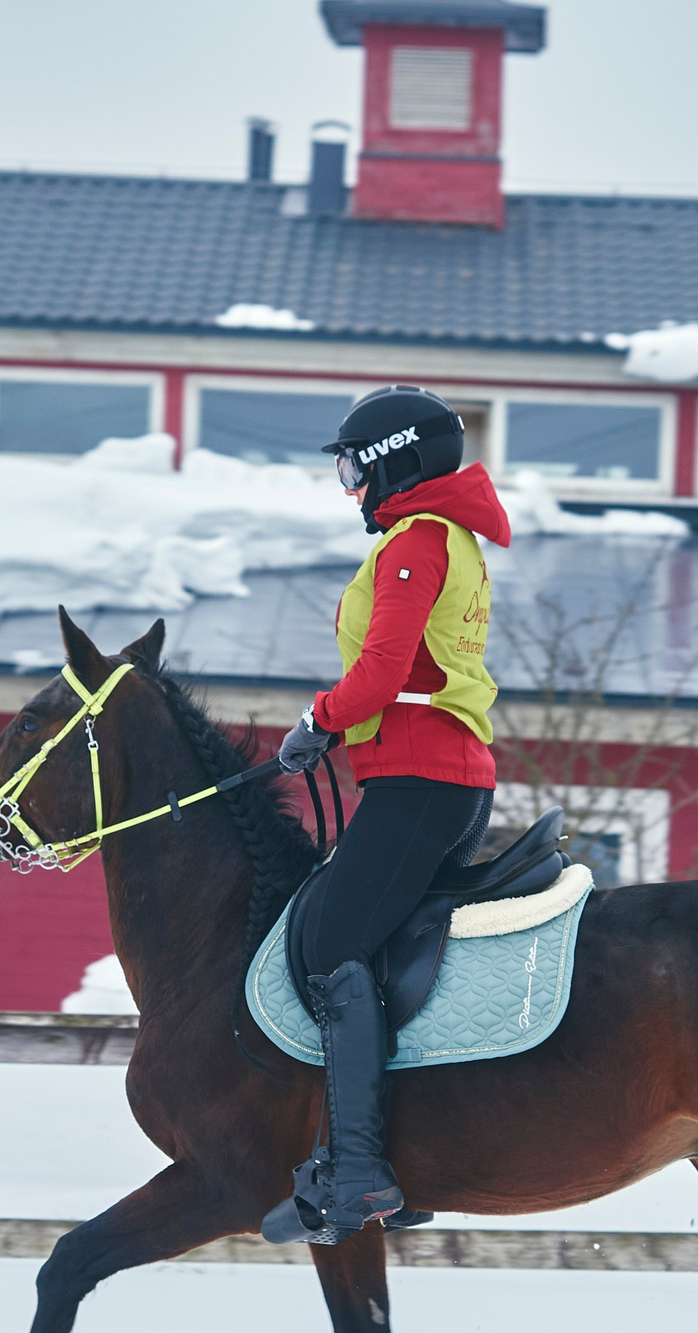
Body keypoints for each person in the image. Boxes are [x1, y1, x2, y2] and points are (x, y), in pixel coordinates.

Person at [262, 385, 508, 1245]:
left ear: (392, 462)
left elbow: (379, 673)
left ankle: (362, 1169)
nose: (349, 488)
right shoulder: (454, 540)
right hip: (440, 777)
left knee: (332, 945)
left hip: (419, 780)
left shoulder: (416, 543)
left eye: (351, 469)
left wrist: (314, 724)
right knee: (370, 943)